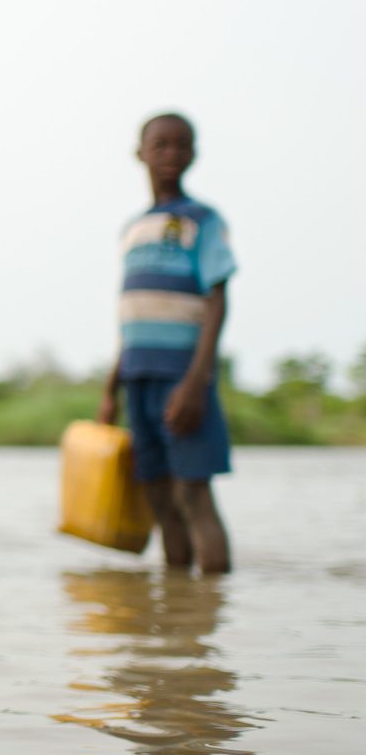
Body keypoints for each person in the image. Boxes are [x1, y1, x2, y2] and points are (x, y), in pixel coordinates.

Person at [96, 113, 234, 574]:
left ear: (194, 154)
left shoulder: (202, 220)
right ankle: (178, 603)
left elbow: (217, 301)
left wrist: (196, 383)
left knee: (192, 492)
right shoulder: (132, 229)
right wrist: (110, 389)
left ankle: (213, 600)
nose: (171, 154)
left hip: (181, 378)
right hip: (138, 377)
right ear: (141, 153)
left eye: (181, 145)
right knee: (158, 494)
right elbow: (133, 314)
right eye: (161, 145)